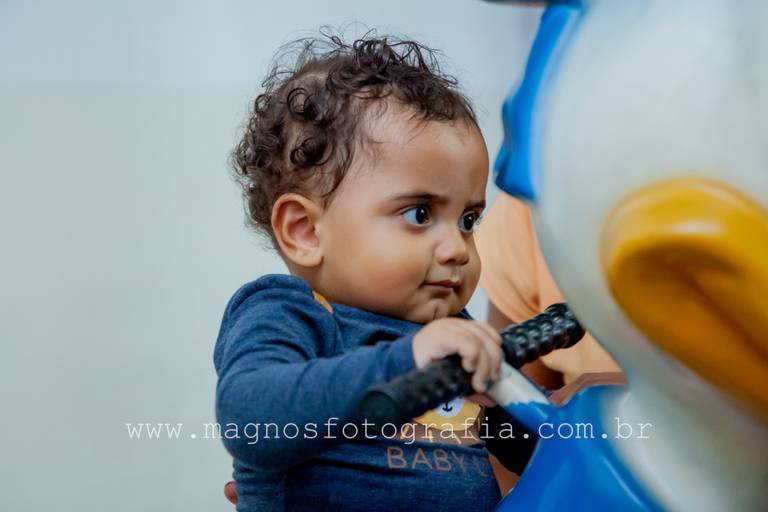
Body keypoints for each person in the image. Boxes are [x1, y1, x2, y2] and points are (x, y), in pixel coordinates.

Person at [215, 33, 535, 511]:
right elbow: (250, 419)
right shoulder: (289, 313)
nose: (457, 249)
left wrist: (525, 407)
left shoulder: (450, 330)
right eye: (419, 214)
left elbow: (527, 452)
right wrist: (408, 360)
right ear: (305, 231)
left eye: (468, 220)